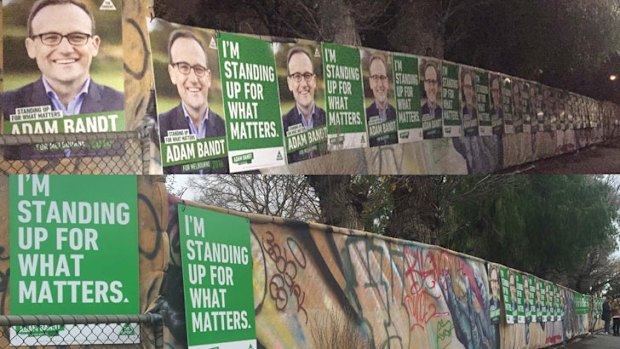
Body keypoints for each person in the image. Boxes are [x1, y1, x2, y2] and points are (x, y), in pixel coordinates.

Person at [0, 0, 123, 120]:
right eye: (51, 38)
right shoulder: (5, 106)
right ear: (31, 47)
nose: (66, 50)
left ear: (95, 45)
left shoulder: (123, 105)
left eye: (77, 37)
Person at [158, 29, 227, 174]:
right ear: (172, 73)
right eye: (183, 67)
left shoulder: (227, 131)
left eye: (199, 69)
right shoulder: (159, 129)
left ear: (208, 77)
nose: (194, 79)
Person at [281, 47, 326, 163]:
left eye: (307, 75)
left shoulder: (328, 120)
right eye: (297, 77)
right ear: (289, 83)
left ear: (314, 80)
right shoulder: (282, 126)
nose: (304, 84)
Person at [365, 55, 396, 147]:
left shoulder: (396, 115)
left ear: (387, 81)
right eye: (375, 77)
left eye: (382, 77)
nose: (380, 84)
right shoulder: (366, 116)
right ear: (370, 83)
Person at [421, 62, 442, 139]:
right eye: (428, 81)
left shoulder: (442, 112)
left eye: (434, 81)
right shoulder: (420, 113)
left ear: (437, 85)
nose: (431, 87)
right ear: (424, 85)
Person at [461, 69, 478, 136]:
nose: (468, 91)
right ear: (463, 89)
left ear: (473, 90)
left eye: (470, 87)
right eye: (466, 87)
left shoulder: (477, 113)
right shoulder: (460, 114)